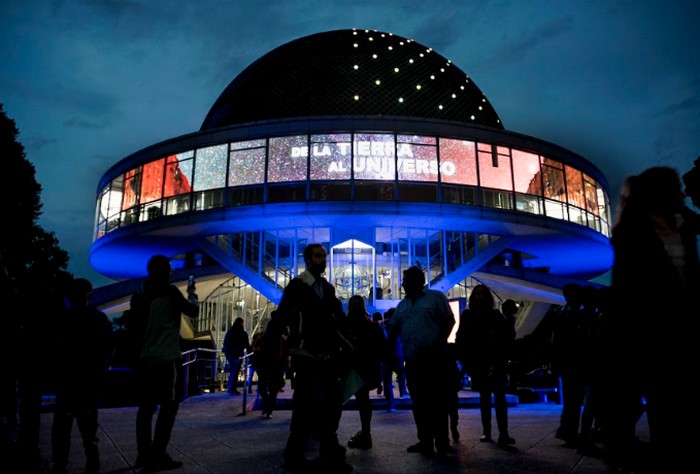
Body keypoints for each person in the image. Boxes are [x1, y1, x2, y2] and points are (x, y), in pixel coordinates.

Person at [601, 166, 699, 472]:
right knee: (664, 406)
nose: (682, 195)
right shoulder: (631, 232)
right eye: (676, 189)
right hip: (651, 332)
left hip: (681, 329)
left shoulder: (683, 224)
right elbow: (627, 289)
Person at [276, 243, 352, 473]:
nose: (323, 260)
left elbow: (336, 318)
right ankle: (306, 454)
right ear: (308, 260)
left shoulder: (325, 288)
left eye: (324, 256)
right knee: (310, 406)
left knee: (321, 405)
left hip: (324, 355)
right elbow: (282, 315)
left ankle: (309, 454)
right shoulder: (298, 286)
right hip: (307, 355)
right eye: (319, 256)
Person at [131, 254, 199, 471]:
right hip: (167, 358)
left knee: (146, 408)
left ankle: (144, 454)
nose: (171, 272)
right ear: (163, 271)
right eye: (169, 268)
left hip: (146, 357)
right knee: (169, 407)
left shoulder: (139, 295)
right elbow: (193, 311)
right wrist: (191, 292)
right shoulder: (170, 293)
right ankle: (158, 453)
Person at [388, 265, 455, 458]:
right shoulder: (403, 305)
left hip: (434, 360)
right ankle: (425, 440)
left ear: (420, 281)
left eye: (407, 280)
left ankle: (442, 442)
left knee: (438, 403)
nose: (403, 284)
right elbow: (394, 329)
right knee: (419, 403)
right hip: (413, 362)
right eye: (404, 280)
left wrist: (439, 342)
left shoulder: (435, 298)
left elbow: (449, 320)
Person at [51, 278, 114, 474]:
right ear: (89, 294)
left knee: (62, 426)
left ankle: (60, 463)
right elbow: (108, 347)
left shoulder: (63, 319)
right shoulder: (98, 318)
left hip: (68, 379)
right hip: (88, 378)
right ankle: (92, 460)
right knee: (87, 424)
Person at [456, 284, 516, 447]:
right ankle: (489, 431)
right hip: (480, 361)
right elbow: (462, 337)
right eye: (477, 294)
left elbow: (504, 339)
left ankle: (501, 433)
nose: (479, 297)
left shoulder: (494, 315)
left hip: (494, 361)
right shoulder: (469, 315)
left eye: (482, 294)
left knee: (498, 397)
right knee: (487, 397)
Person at [344, 295, 387, 450]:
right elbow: (382, 347)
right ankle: (366, 432)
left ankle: (329, 434)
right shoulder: (372, 326)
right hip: (367, 367)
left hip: (350, 368)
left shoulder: (345, 324)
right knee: (364, 401)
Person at [550, 283, 587, 448]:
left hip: (565, 363)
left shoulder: (560, 312)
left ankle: (567, 430)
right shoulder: (576, 314)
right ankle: (570, 430)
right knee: (575, 398)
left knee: (571, 398)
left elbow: (556, 341)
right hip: (575, 362)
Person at [255, 310, 289, 418]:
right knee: (273, 388)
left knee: (264, 386)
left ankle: (268, 406)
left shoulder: (268, 335)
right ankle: (269, 407)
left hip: (267, 363)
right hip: (275, 364)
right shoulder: (281, 335)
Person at [222, 317, 251, 396]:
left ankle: (230, 387)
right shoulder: (242, 333)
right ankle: (232, 388)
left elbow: (226, 343)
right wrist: (250, 353)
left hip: (230, 354)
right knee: (235, 371)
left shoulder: (230, 332)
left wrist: (226, 352)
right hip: (237, 354)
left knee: (233, 370)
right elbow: (247, 345)